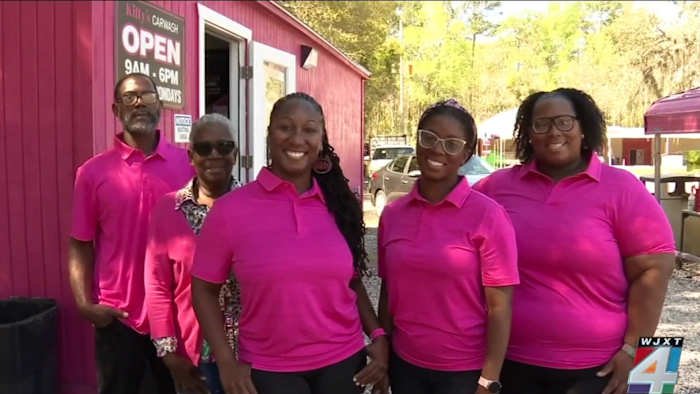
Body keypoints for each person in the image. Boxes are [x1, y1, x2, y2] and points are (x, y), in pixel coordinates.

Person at [474, 88, 676, 394]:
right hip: (512, 363)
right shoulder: (497, 188)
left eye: (565, 122)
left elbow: (656, 268)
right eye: (541, 124)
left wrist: (634, 351)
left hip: (602, 369)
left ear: (584, 129)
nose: (553, 131)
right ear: (528, 134)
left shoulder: (623, 188)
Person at [191, 92, 389, 394]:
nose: (297, 139)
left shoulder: (339, 204)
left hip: (344, 361)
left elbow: (353, 281)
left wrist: (377, 335)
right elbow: (204, 290)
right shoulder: (231, 210)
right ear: (269, 135)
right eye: (286, 127)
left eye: (309, 129)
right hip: (270, 370)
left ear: (321, 140)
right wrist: (226, 361)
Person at [377, 99, 519, 394]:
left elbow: (500, 307)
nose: (437, 149)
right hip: (406, 366)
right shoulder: (393, 214)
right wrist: (384, 356)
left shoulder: (488, 216)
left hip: (464, 373)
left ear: (467, 153)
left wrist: (488, 379)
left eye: (452, 143)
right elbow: (388, 292)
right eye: (428, 137)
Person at [68, 72, 193, 394]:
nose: (139, 102)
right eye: (129, 97)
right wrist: (85, 305)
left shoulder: (188, 165)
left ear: (160, 104)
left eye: (146, 95)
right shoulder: (93, 172)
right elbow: (80, 243)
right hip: (118, 317)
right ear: (115, 109)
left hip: (177, 316)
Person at [145, 113, 242, 394]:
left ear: (235, 153)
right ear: (191, 156)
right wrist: (168, 352)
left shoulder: (254, 206)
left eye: (224, 147)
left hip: (251, 352)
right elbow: (157, 284)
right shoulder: (168, 210)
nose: (214, 155)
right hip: (195, 354)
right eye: (204, 148)